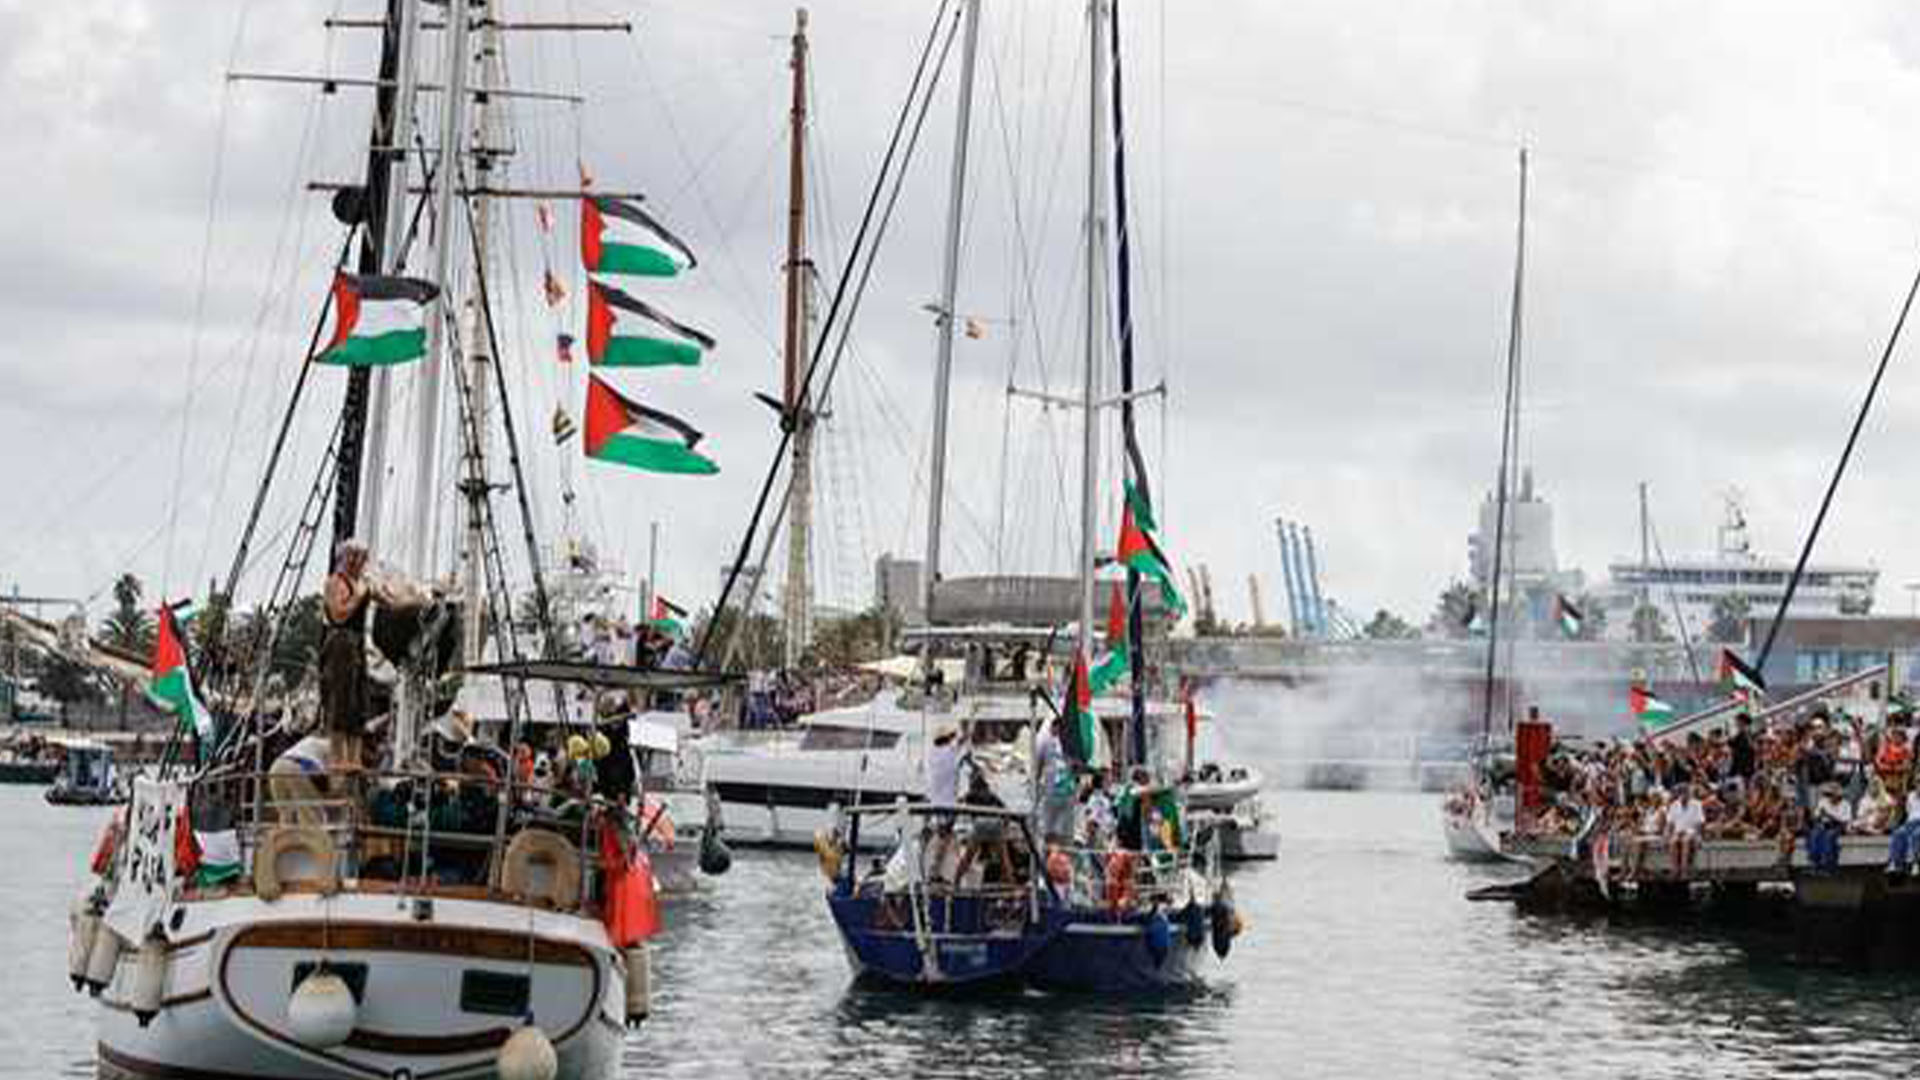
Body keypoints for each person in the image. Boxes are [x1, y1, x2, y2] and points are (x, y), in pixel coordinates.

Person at [320, 539, 395, 769]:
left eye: (360, 557)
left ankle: (354, 758)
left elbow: (387, 600)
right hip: (340, 641)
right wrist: (359, 595)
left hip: (357, 642)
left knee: (358, 702)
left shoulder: (361, 583)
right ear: (343, 558)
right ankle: (337, 757)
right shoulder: (336, 582)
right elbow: (339, 614)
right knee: (340, 699)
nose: (357, 561)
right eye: (352, 556)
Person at [924, 723, 965, 881]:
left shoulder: (932, 754)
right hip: (949, 802)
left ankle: (938, 870)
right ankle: (934, 871)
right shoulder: (950, 751)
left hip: (935, 801)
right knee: (945, 836)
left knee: (943, 836)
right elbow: (962, 739)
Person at [1808, 781, 1853, 872]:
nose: (1830, 797)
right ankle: (1815, 862)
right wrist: (1818, 816)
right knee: (1814, 834)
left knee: (1829, 836)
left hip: (1838, 826)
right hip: (1823, 825)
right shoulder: (1823, 802)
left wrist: (1830, 816)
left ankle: (1828, 864)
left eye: (1832, 795)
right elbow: (1815, 816)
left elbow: (1844, 821)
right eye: (1828, 795)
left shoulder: (1845, 804)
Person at [1664, 783, 1706, 877]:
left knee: (1686, 840)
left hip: (1692, 832)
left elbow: (1700, 823)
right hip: (1678, 831)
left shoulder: (1697, 804)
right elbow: (1670, 823)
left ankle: (1684, 870)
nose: (1684, 795)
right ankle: (1675, 869)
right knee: (1673, 841)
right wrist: (1667, 834)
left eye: (1685, 793)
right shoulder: (1674, 805)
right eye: (1681, 793)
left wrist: (1698, 835)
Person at [1887, 782, 1920, 878]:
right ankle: (1894, 863)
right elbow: (1908, 811)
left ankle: (1915, 863)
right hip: (1910, 822)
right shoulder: (1911, 796)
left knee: (1916, 835)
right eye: (1918, 784)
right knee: (1897, 833)